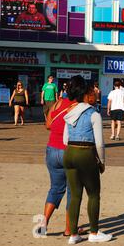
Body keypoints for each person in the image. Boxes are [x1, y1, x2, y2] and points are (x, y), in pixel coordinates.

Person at [63, 76, 112, 244]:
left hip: (69, 153)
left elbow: (64, 139)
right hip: (85, 154)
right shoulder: (94, 114)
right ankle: (94, 232)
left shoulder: (69, 112)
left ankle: (73, 235)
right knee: (93, 194)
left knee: (75, 195)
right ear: (86, 94)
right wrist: (102, 162)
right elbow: (99, 143)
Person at [37, 80, 79, 237]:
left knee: (55, 188)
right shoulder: (80, 107)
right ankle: (69, 229)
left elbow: (48, 125)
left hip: (52, 150)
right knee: (72, 192)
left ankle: (42, 225)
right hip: (69, 151)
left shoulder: (57, 103)